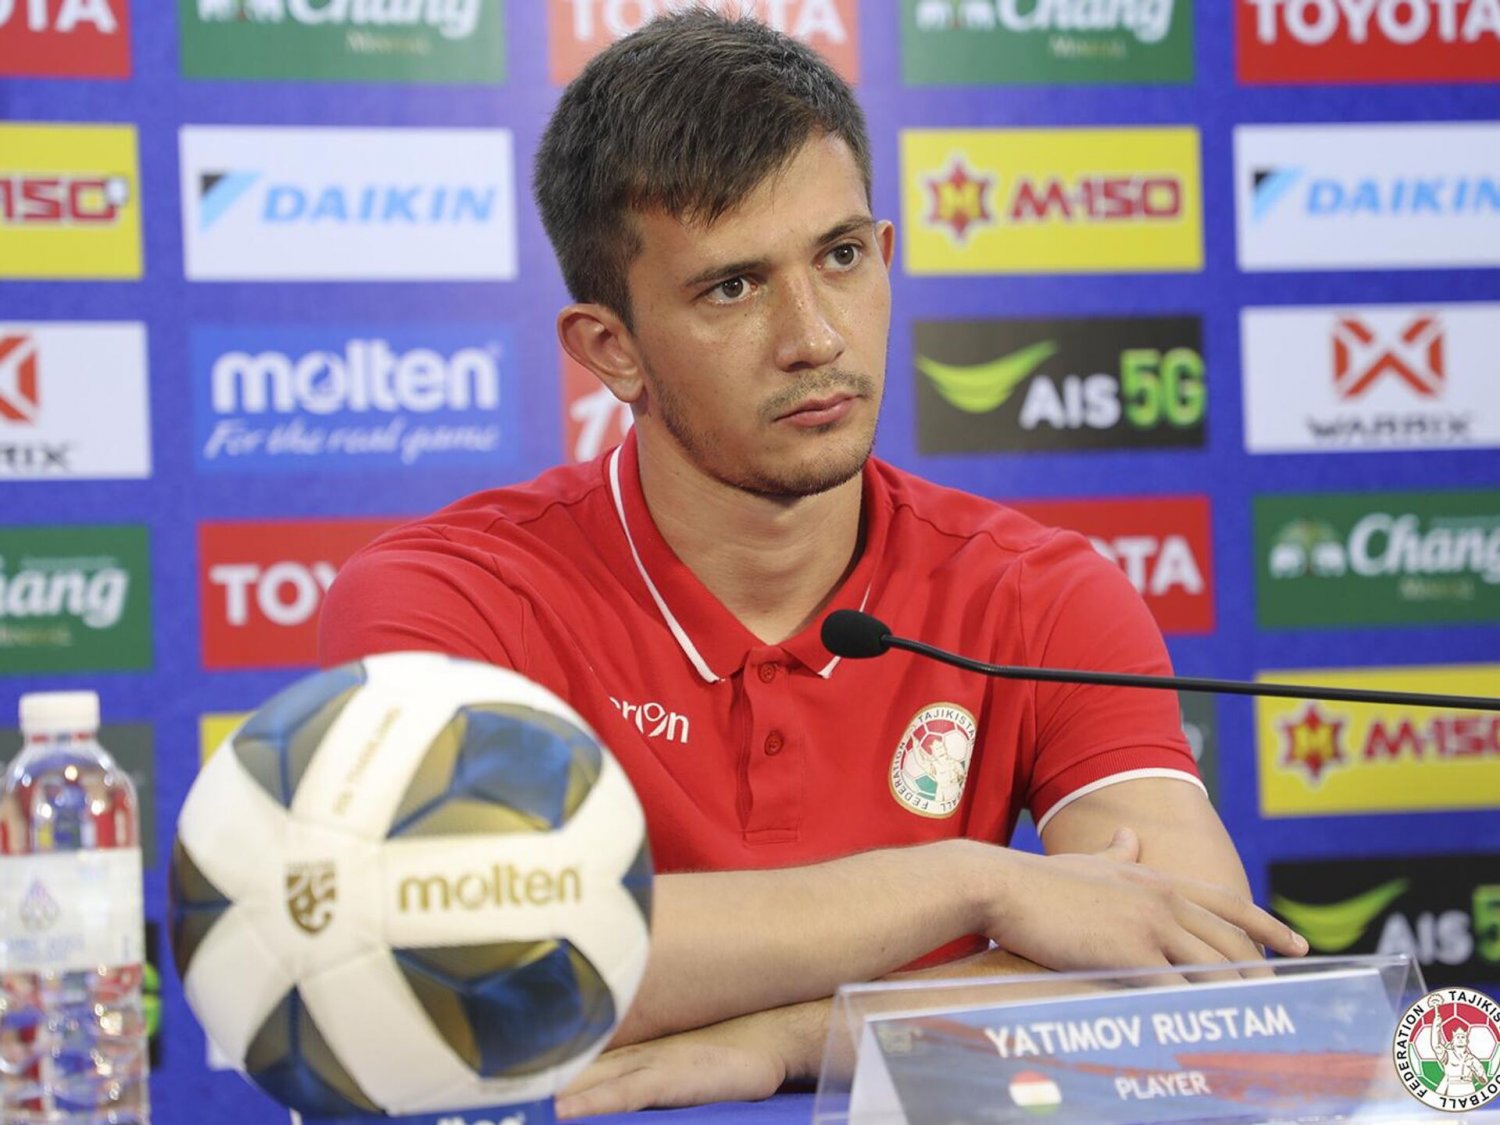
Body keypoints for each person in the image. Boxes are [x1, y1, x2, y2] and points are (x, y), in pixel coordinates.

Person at [319, 9, 1307, 1116]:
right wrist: (976, 885)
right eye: (732, 288)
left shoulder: (1037, 589)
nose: (816, 337)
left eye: (840, 258)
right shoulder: (447, 597)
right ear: (611, 349)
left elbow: (1190, 969)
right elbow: (460, 961)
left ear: (883, 253)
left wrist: (798, 1036)